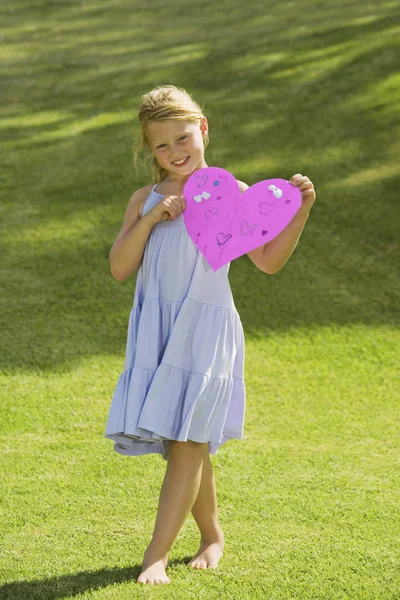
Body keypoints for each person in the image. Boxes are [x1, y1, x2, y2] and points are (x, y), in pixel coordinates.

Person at [104, 85, 316, 586]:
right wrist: (154, 217)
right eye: (161, 146)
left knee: (187, 441)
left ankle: (155, 554)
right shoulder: (145, 198)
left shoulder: (233, 192)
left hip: (207, 328)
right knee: (188, 441)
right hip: (160, 329)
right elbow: (119, 267)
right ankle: (212, 535)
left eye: (183, 137)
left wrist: (300, 209)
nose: (175, 152)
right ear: (149, 151)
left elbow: (267, 263)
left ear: (203, 129)